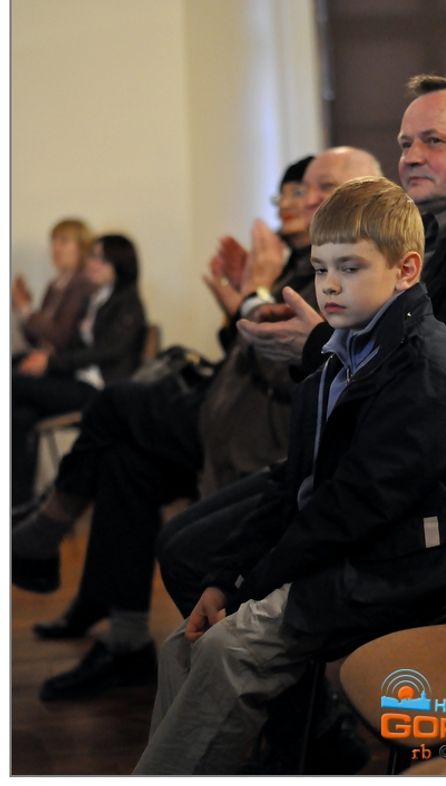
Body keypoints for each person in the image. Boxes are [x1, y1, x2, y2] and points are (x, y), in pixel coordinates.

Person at [132, 176, 446, 776]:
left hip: (414, 562)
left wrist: (255, 582)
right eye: (320, 268)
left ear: (406, 270)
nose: (329, 285)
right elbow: (296, 484)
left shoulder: (425, 374)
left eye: (350, 268)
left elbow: (350, 510)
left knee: (228, 648)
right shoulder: (342, 352)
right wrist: (227, 578)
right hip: (367, 545)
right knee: (185, 642)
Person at [11, 151, 382, 702]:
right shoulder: (309, 262)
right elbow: (255, 351)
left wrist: (251, 296)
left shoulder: (348, 270)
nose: (302, 201)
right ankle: (123, 638)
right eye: (295, 191)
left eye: (318, 188)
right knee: (124, 461)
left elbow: (300, 369)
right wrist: (239, 303)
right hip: (225, 422)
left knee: (115, 403)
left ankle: (47, 527)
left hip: (260, 440)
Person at [237, 74, 446, 423]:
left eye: (433, 141)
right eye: (406, 144)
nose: (411, 158)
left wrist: (318, 343)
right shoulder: (429, 230)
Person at [12, 234, 146, 510]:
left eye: (102, 259)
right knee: (19, 410)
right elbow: (74, 345)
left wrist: (51, 363)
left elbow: (105, 352)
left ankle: (21, 502)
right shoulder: (97, 299)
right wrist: (47, 357)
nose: (92, 264)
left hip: (98, 391)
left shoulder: (128, 303)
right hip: (77, 380)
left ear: (120, 265)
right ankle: (20, 504)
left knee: (14, 382)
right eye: (92, 256)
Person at [12, 218, 94, 356]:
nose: (55, 248)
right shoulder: (54, 285)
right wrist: (21, 308)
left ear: (82, 247)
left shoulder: (83, 284)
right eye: (53, 242)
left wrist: (26, 309)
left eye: (63, 242)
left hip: (67, 361)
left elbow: (61, 338)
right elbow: (36, 338)